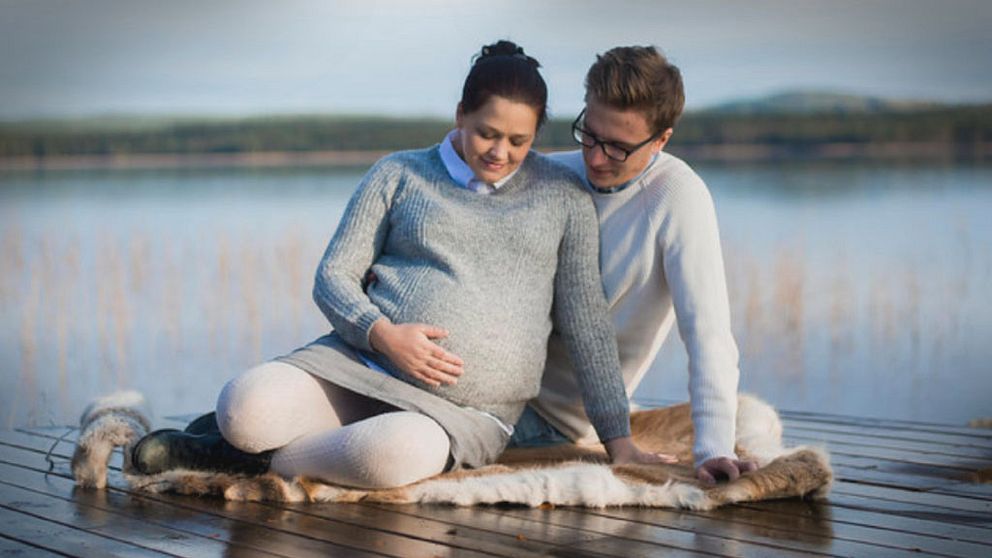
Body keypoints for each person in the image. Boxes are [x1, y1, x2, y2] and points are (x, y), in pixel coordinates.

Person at [130, 40, 662, 489]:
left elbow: (587, 322)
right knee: (243, 409)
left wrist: (619, 440)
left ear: (537, 134)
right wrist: (383, 335)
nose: (500, 151)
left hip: (469, 412)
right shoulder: (399, 175)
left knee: (390, 458)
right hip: (359, 367)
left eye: (518, 141)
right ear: (461, 114)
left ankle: (245, 461)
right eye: (487, 133)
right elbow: (333, 276)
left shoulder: (562, 198)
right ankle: (242, 440)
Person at [508, 46, 757, 484]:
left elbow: (708, 334)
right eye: (589, 133)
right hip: (491, 390)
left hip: (555, 423)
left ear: (661, 140)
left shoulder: (676, 196)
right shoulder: (547, 175)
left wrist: (714, 446)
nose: (596, 158)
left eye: (619, 148)